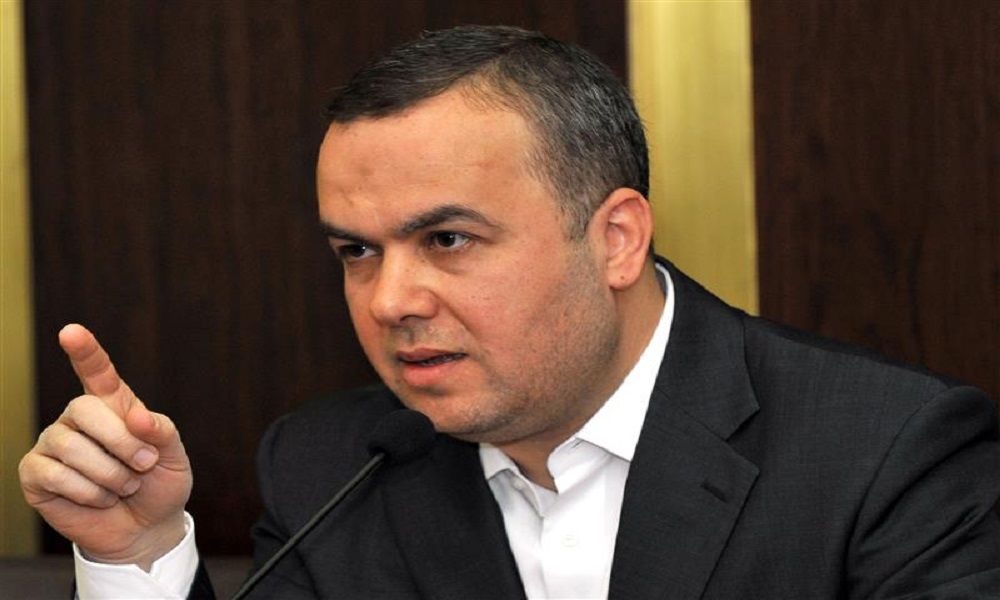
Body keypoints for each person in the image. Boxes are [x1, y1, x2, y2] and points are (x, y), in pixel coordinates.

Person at [18, 25, 1000, 599]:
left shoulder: (887, 456)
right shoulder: (332, 467)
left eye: (447, 239)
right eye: (357, 252)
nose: (391, 300)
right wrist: (137, 552)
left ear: (615, 239)